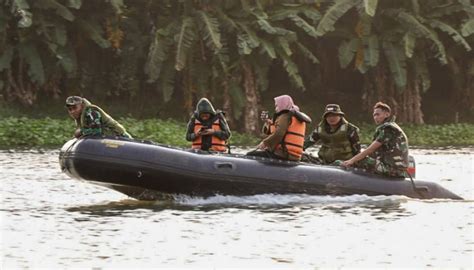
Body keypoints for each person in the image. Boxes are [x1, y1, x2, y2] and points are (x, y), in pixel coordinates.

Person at [340, 102, 409, 178]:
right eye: (374, 115)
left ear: (387, 114)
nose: (375, 117)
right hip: (391, 168)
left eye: (378, 114)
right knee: (353, 159)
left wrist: (352, 160)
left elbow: (371, 149)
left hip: (393, 170)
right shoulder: (389, 127)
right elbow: (372, 153)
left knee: (359, 160)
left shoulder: (389, 128)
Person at [247, 95, 311, 161]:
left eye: (277, 106)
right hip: (294, 156)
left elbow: (279, 133)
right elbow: (268, 132)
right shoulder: (294, 117)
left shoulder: (285, 116)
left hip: (283, 154)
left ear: (283, 105)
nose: (275, 108)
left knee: (249, 155)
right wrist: (267, 122)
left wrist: (265, 143)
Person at [65, 96, 132, 139]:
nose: (72, 111)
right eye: (70, 109)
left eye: (75, 108)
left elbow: (96, 132)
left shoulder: (91, 112)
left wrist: (80, 132)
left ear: (82, 106)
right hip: (107, 137)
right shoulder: (79, 117)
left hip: (120, 136)